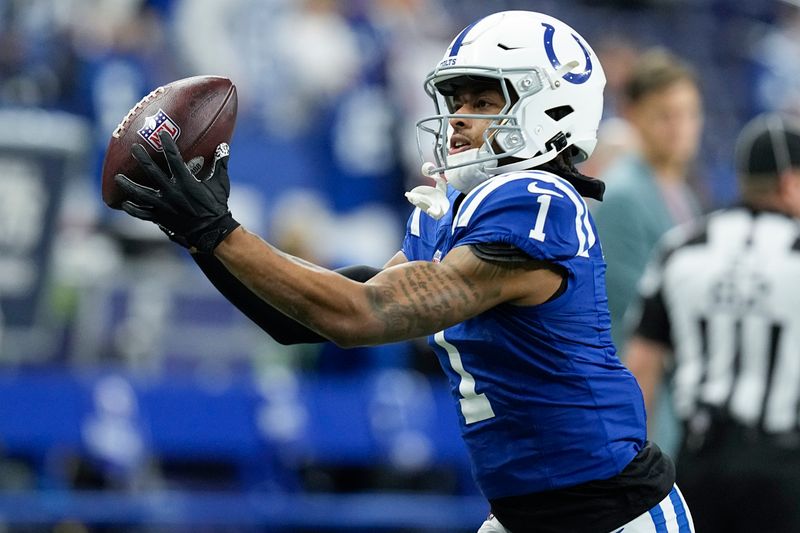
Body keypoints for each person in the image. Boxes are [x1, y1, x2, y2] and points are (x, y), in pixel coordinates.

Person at [111, 11, 694, 533]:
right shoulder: (461, 208)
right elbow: (303, 318)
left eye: (484, 102)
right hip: (524, 514)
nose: (460, 120)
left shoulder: (539, 201)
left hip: (614, 515)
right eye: (456, 102)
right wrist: (198, 236)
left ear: (553, 106)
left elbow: (362, 314)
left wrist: (216, 230)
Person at [625, 113, 800, 533]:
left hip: (698, 463)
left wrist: (631, 470)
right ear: (790, 182)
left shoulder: (683, 246)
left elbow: (640, 367)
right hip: (784, 467)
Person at [592, 48, 704, 353]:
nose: (680, 128)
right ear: (632, 114)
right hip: (636, 378)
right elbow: (633, 312)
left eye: (689, 114)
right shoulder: (622, 195)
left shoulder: (681, 192)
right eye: (665, 115)